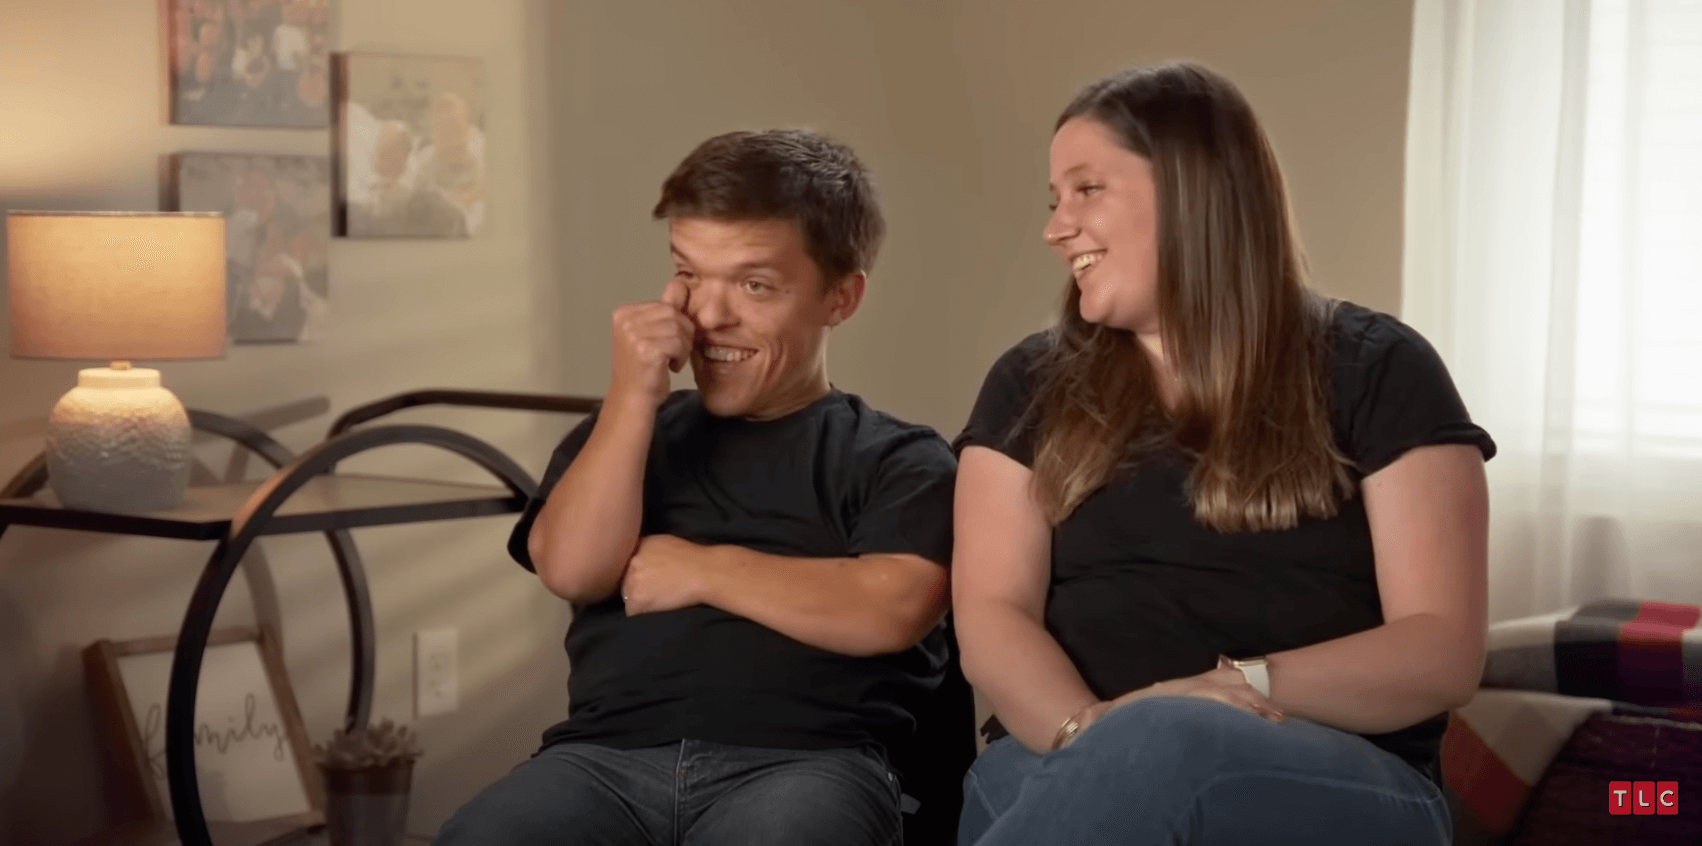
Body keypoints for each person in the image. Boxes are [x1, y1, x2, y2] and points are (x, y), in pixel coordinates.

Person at [950, 62, 1495, 846]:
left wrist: (1231, 689)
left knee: (1165, 742)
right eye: (1053, 199)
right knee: (1053, 777)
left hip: (1336, 775)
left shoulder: (1379, 367)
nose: (1055, 227)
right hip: (1059, 751)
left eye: (1086, 190)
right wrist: (1094, 739)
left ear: (1191, 189)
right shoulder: (1026, 384)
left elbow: (1441, 650)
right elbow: (993, 615)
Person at [437, 128, 957, 846]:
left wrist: (702, 569)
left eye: (753, 285)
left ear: (841, 297)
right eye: (688, 274)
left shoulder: (898, 458)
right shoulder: (622, 435)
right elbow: (572, 567)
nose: (708, 317)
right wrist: (631, 396)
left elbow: (890, 607)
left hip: (809, 767)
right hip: (601, 762)